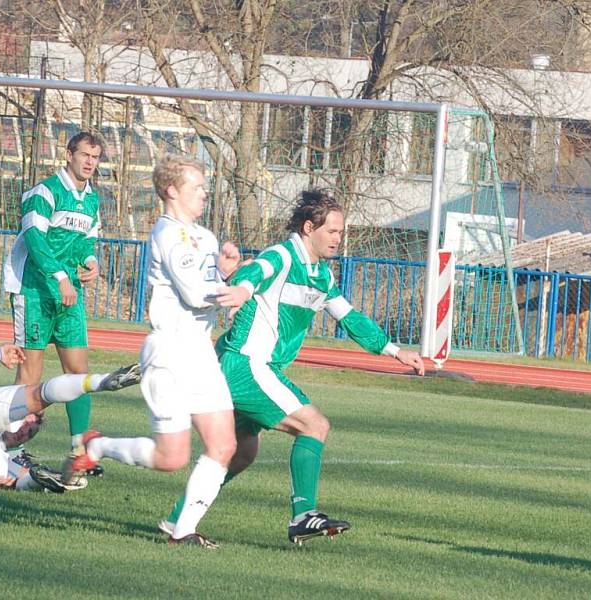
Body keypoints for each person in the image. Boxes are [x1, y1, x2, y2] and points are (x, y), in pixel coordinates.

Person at [160, 189, 426, 545]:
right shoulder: (284, 256)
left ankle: (178, 522)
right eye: (331, 231)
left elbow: (351, 319)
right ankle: (304, 515)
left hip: (248, 368)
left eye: (340, 232)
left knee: (240, 453)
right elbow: (256, 271)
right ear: (307, 228)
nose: (338, 238)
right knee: (314, 425)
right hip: (247, 365)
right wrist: (240, 288)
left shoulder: (322, 276)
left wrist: (395, 351)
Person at [63, 154, 245, 548]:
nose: (204, 193)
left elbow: (208, 284)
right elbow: (196, 294)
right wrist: (235, 292)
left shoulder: (206, 237)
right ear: (172, 190)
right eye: (197, 187)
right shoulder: (166, 233)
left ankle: (183, 530)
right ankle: (98, 446)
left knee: (224, 444)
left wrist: (227, 274)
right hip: (169, 353)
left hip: (200, 352)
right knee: (171, 458)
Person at [3, 131, 104, 468]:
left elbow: (84, 243)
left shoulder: (92, 200)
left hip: (69, 297)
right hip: (34, 292)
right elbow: (35, 239)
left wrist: (91, 262)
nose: (90, 162)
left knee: (78, 373)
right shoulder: (44, 191)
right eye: (85, 155)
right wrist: (61, 277)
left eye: (95, 157)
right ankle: (11, 452)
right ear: (68, 154)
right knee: (29, 375)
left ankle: (78, 451)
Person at [0, 343, 140, 492]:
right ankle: (103, 381)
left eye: (29, 434)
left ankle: (49, 479)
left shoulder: (1, 455)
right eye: (29, 422)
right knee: (38, 394)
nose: (23, 432)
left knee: (11, 477)